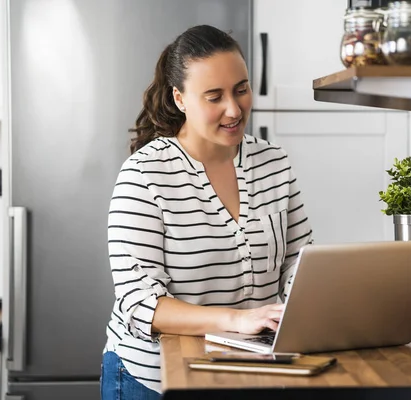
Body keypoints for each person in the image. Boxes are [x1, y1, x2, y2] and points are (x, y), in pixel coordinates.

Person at [100, 25, 313, 399]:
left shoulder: (274, 163)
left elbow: (301, 263)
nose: (234, 109)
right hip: (156, 380)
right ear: (180, 98)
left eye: (241, 90)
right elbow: (140, 303)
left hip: (247, 372)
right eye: (214, 96)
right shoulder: (145, 174)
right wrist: (237, 319)